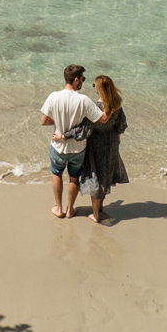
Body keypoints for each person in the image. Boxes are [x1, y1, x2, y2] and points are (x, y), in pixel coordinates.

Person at [57, 74, 128, 223]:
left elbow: (83, 128)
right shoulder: (116, 104)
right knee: (105, 174)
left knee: (95, 175)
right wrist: (118, 137)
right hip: (111, 142)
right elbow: (121, 124)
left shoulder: (97, 107)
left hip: (96, 143)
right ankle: (100, 206)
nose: (93, 88)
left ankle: (95, 214)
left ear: (100, 89)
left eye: (94, 85)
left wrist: (64, 136)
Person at [40, 64, 107, 219]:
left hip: (58, 146)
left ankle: (59, 208)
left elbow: (44, 121)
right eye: (83, 79)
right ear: (76, 79)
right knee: (73, 178)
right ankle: (70, 210)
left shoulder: (53, 96)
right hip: (78, 148)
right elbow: (102, 119)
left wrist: (58, 125)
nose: (83, 82)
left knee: (56, 174)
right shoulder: (83, 100)